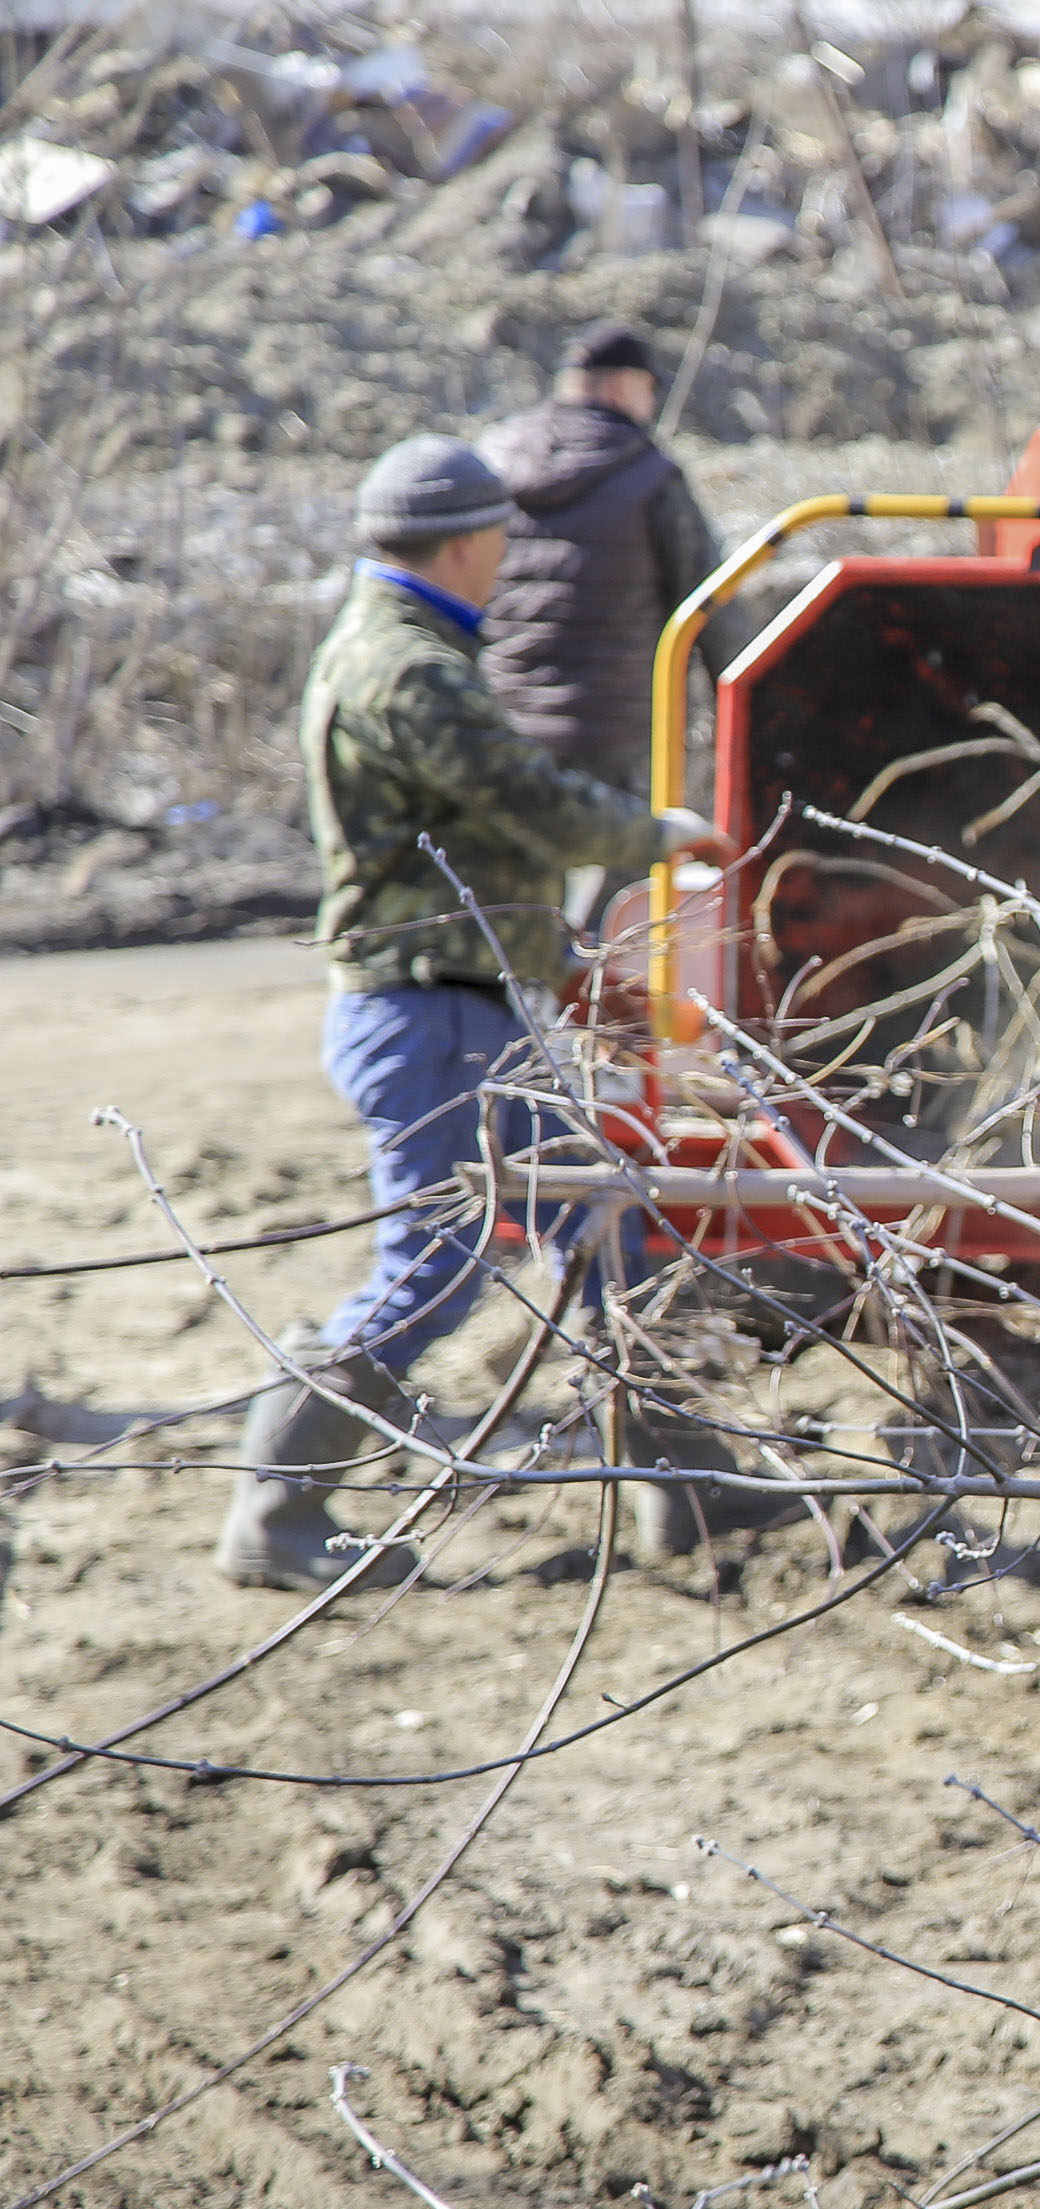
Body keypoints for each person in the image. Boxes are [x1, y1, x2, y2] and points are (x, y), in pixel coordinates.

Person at [216, 435, 736, 1593]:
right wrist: (659, 835)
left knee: (600, 1219)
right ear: (464, 543)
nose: (508, 557)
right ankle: (279, 1509)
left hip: (462, 1008)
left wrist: (567, 967)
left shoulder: (407, 648)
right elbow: (529, 803)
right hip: (431, 1017)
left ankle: (690, 1480)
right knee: (439, 1264)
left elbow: (482, 843)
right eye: (503, 538)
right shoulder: (409, 667)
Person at [480, 320, 752, 796]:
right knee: (621, 844)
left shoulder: (491, 461)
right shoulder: (648, 474)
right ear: (624, 385)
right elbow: (711, 605)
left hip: (502, 726)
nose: (651, 406)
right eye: (650, 390)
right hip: (612, 738)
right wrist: (751, 716)